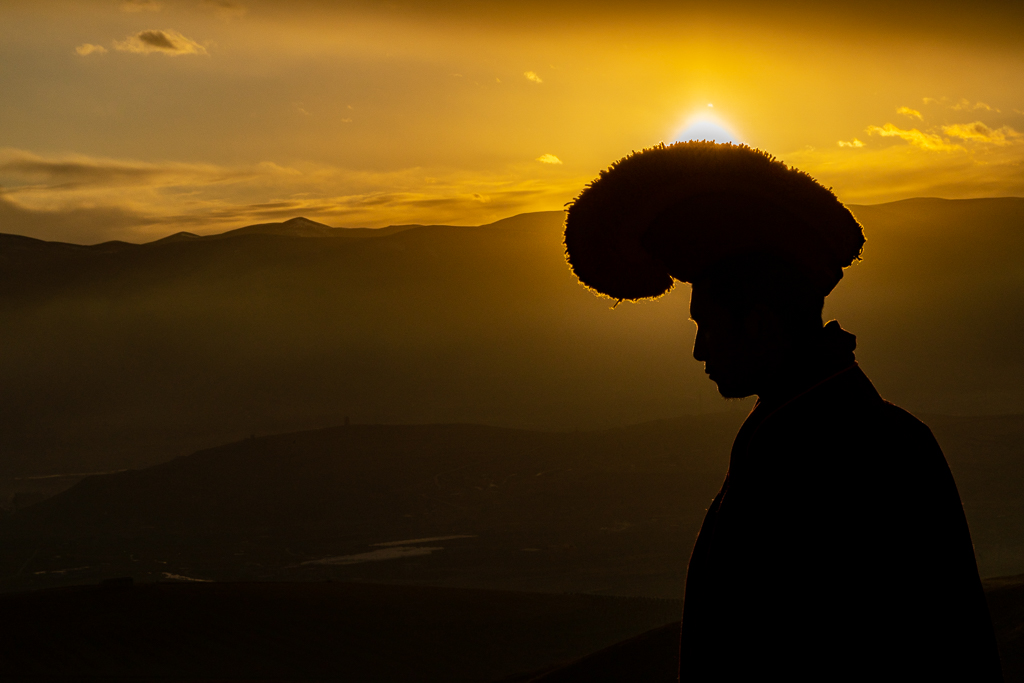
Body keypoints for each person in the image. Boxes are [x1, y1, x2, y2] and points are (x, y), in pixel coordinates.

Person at [563, 142, 1003, 681]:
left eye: (708, 325)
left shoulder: (826, 463)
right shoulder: (874, 440)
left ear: (761, 322)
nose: (700, 351)